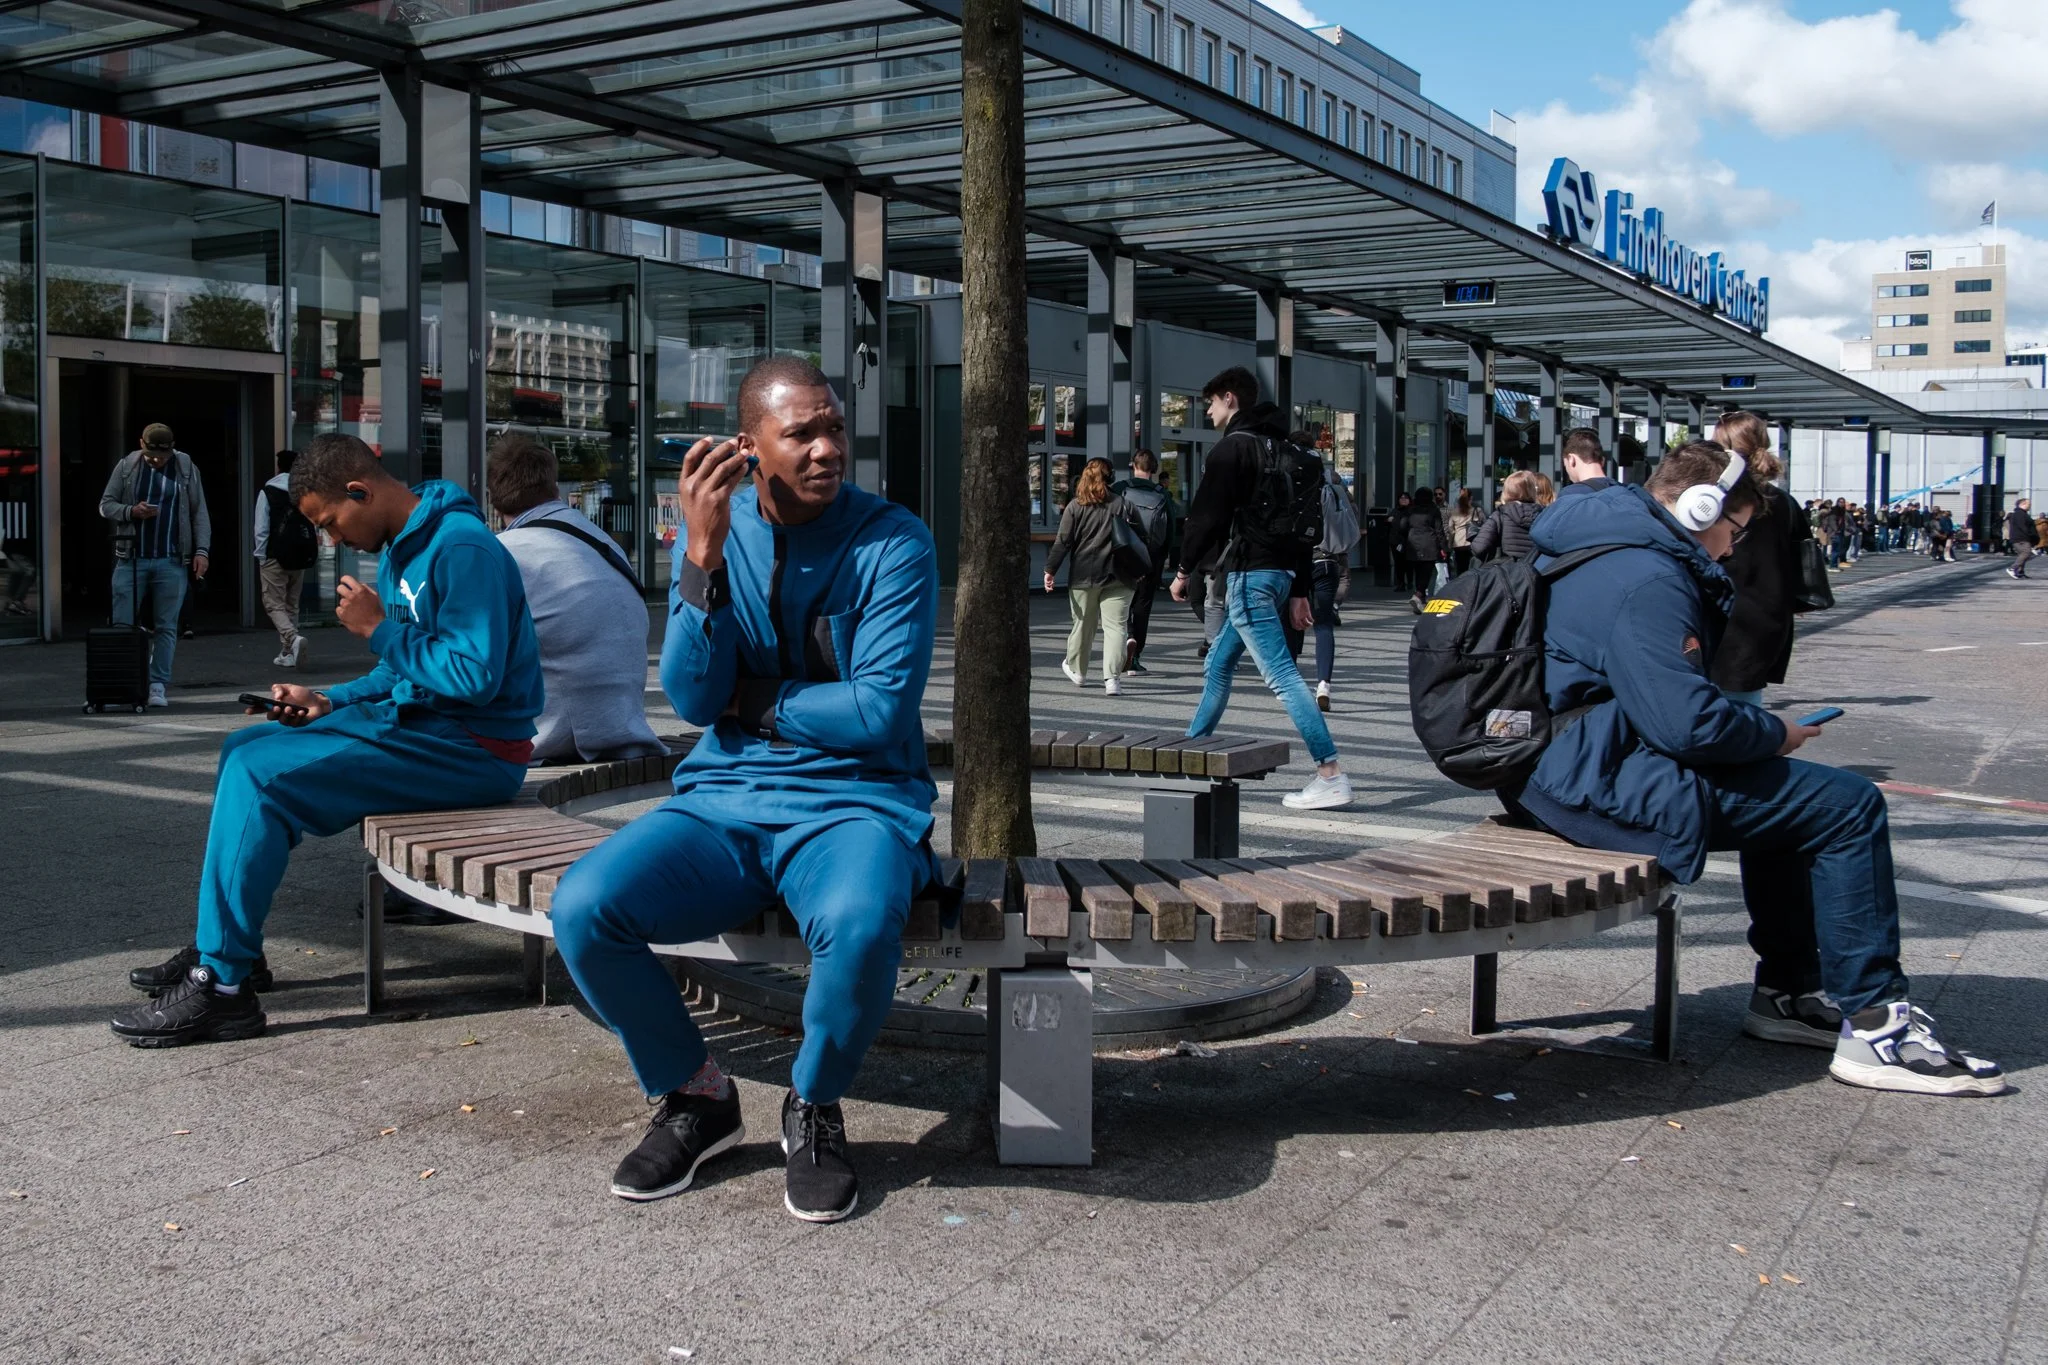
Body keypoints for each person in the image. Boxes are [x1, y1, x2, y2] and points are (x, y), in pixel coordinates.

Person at [547, 357, 940, 1224]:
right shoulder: (719, 536)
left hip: (856, 802)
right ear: (750, 445)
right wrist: (699, 558)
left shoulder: (895, 540)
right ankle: (697, 1095)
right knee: (584, 907)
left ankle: (812, 1103)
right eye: (802, 432)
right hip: (723, 798)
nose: (827, 447)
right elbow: (691, 696)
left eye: (833, 426)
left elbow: (877, 711)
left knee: (865, 921)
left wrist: (755, 701)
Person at [1508, 441, 2004, 1096]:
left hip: (1561, 764)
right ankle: (1878, 1025)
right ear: (1699, 507)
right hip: (1596, 775)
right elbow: (1683, 724)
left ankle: (1789, 992)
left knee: (1795, 807)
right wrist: (1774, 732)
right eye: (1734, 529)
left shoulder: (1603, 538)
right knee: (1849, 806)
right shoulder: (1649, 576)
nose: (1734, 548)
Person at [111, 434, 543, 1047]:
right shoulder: (402, 548)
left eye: (330, 522)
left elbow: (474, 677)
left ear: (360, 491)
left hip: (474, 748)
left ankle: (224, 987)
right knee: (243, 750)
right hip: (427, 728)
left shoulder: (463, 548)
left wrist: (377, 630)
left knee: (260, 777)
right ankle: (233, 950)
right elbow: (403, 671)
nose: (331, 540)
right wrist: (329, 701)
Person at [1171, 366, 1351, 809]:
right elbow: (1306, 531)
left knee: (1282, 675)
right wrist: (1299, 588)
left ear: (1230, 398)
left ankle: (1330, 773)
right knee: (1218, 664)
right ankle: (1193, 749)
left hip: (1250, 576)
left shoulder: (1232, 451)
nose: (1208, 411)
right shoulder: (1292, 452)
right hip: (1280, 575)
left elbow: (1206, 517)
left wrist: (1182, 570)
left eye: (1210, 402)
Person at [487, 432, 664, 762]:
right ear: (555, 489)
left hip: (556, 740)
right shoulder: (603, 544)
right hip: (625, 725)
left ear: (494, 500)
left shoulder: (502, 554)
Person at [98, 423, 211, 707]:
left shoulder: (185, 467)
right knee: (123, 624)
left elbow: (200, 513)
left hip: (171, 559)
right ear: (141, 445)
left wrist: (201, 551)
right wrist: (131, 511)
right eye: (151, 456)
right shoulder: (127, 466)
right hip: (131, 558)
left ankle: (158, 684)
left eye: (161, 456)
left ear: (172, 448)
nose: (156, 460)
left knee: (166, 626)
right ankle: (123, 683)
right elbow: (105, 504)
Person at [1707, 411, 1808, 709]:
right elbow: (1800, 562)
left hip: (1723, 620)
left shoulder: (1717, 500)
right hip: (1768, 622)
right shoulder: (1785, 503)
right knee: (1745, 710)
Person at [1045, 457, 1138, 696]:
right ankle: (1112, 680)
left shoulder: (1076, 507)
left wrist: (1050, 570)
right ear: (1111, 479)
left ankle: (1078, 670)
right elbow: (1141, 539)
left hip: (1084, 576)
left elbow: (1063, 542)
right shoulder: (1124, 505)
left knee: (1083, 624)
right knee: (1116, 628)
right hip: (1120, 576)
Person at [1113, 448, 1176, 674]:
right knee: (1143, 606)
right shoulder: (1162, 493)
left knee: (1122, 602)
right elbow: (1171, 531)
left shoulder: (1120, 489)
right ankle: (1136, 657)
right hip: (1152, 557)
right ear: (1155, 468)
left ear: (1133, 465)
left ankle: (1127, 638)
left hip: (1124, 555)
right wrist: (1164, 556)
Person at [253, 448, 311, 670]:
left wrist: (261, 556)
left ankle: (292, 638)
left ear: (279, 466)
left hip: (274, 556)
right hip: (299, 556)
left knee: (273, 604)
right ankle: (288, 652)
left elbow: (261, 528)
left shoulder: (268, 492)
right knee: (291, 604)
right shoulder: (302, 492)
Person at [1469, 470, 1544, 561]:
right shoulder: (1544, 514)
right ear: (1532, 490)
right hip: (1536, 570)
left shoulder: (1500, 515)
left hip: (1508, 571)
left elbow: (1478, 548)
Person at [1396, 486, 1449, 611]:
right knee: (1426, 572)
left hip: (1412, 544)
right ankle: (1418, 595)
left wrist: (1407, 536)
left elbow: (1402, 526)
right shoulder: (1433, 510)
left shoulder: (1411, 510)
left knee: (1417, 571)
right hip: (1429, 544)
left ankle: (1421, 600)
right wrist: (1444, 547)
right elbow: (1439, 531)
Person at [1556, 427, 1611, 498]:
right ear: (1602, 461)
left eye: (1565, 464)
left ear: (1571, 459)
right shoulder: (1625, 491)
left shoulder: (1570, 495)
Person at [1446, 490, 1478, 575]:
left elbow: (1451, 530)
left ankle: (1460, 583)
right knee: (1470, 566)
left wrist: (1450, 544)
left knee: (1460, 567)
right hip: (1470, 541)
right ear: (1470, 498)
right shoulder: (1475, 510)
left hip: (1458, 543)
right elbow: (1478, 525)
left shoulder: (1454, 512)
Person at [2005, 498, 2037, 580]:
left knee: (2022, 555)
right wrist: (2030, 535)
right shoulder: (2019, 514)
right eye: (2028, 504)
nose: (2030, 506)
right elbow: (2023, 527)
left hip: (2021, 537)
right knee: (2026, 552)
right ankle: (2012, 568)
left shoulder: (2022, 513)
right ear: (2022, 504)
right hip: (2021, 538)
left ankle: (2020, 572)